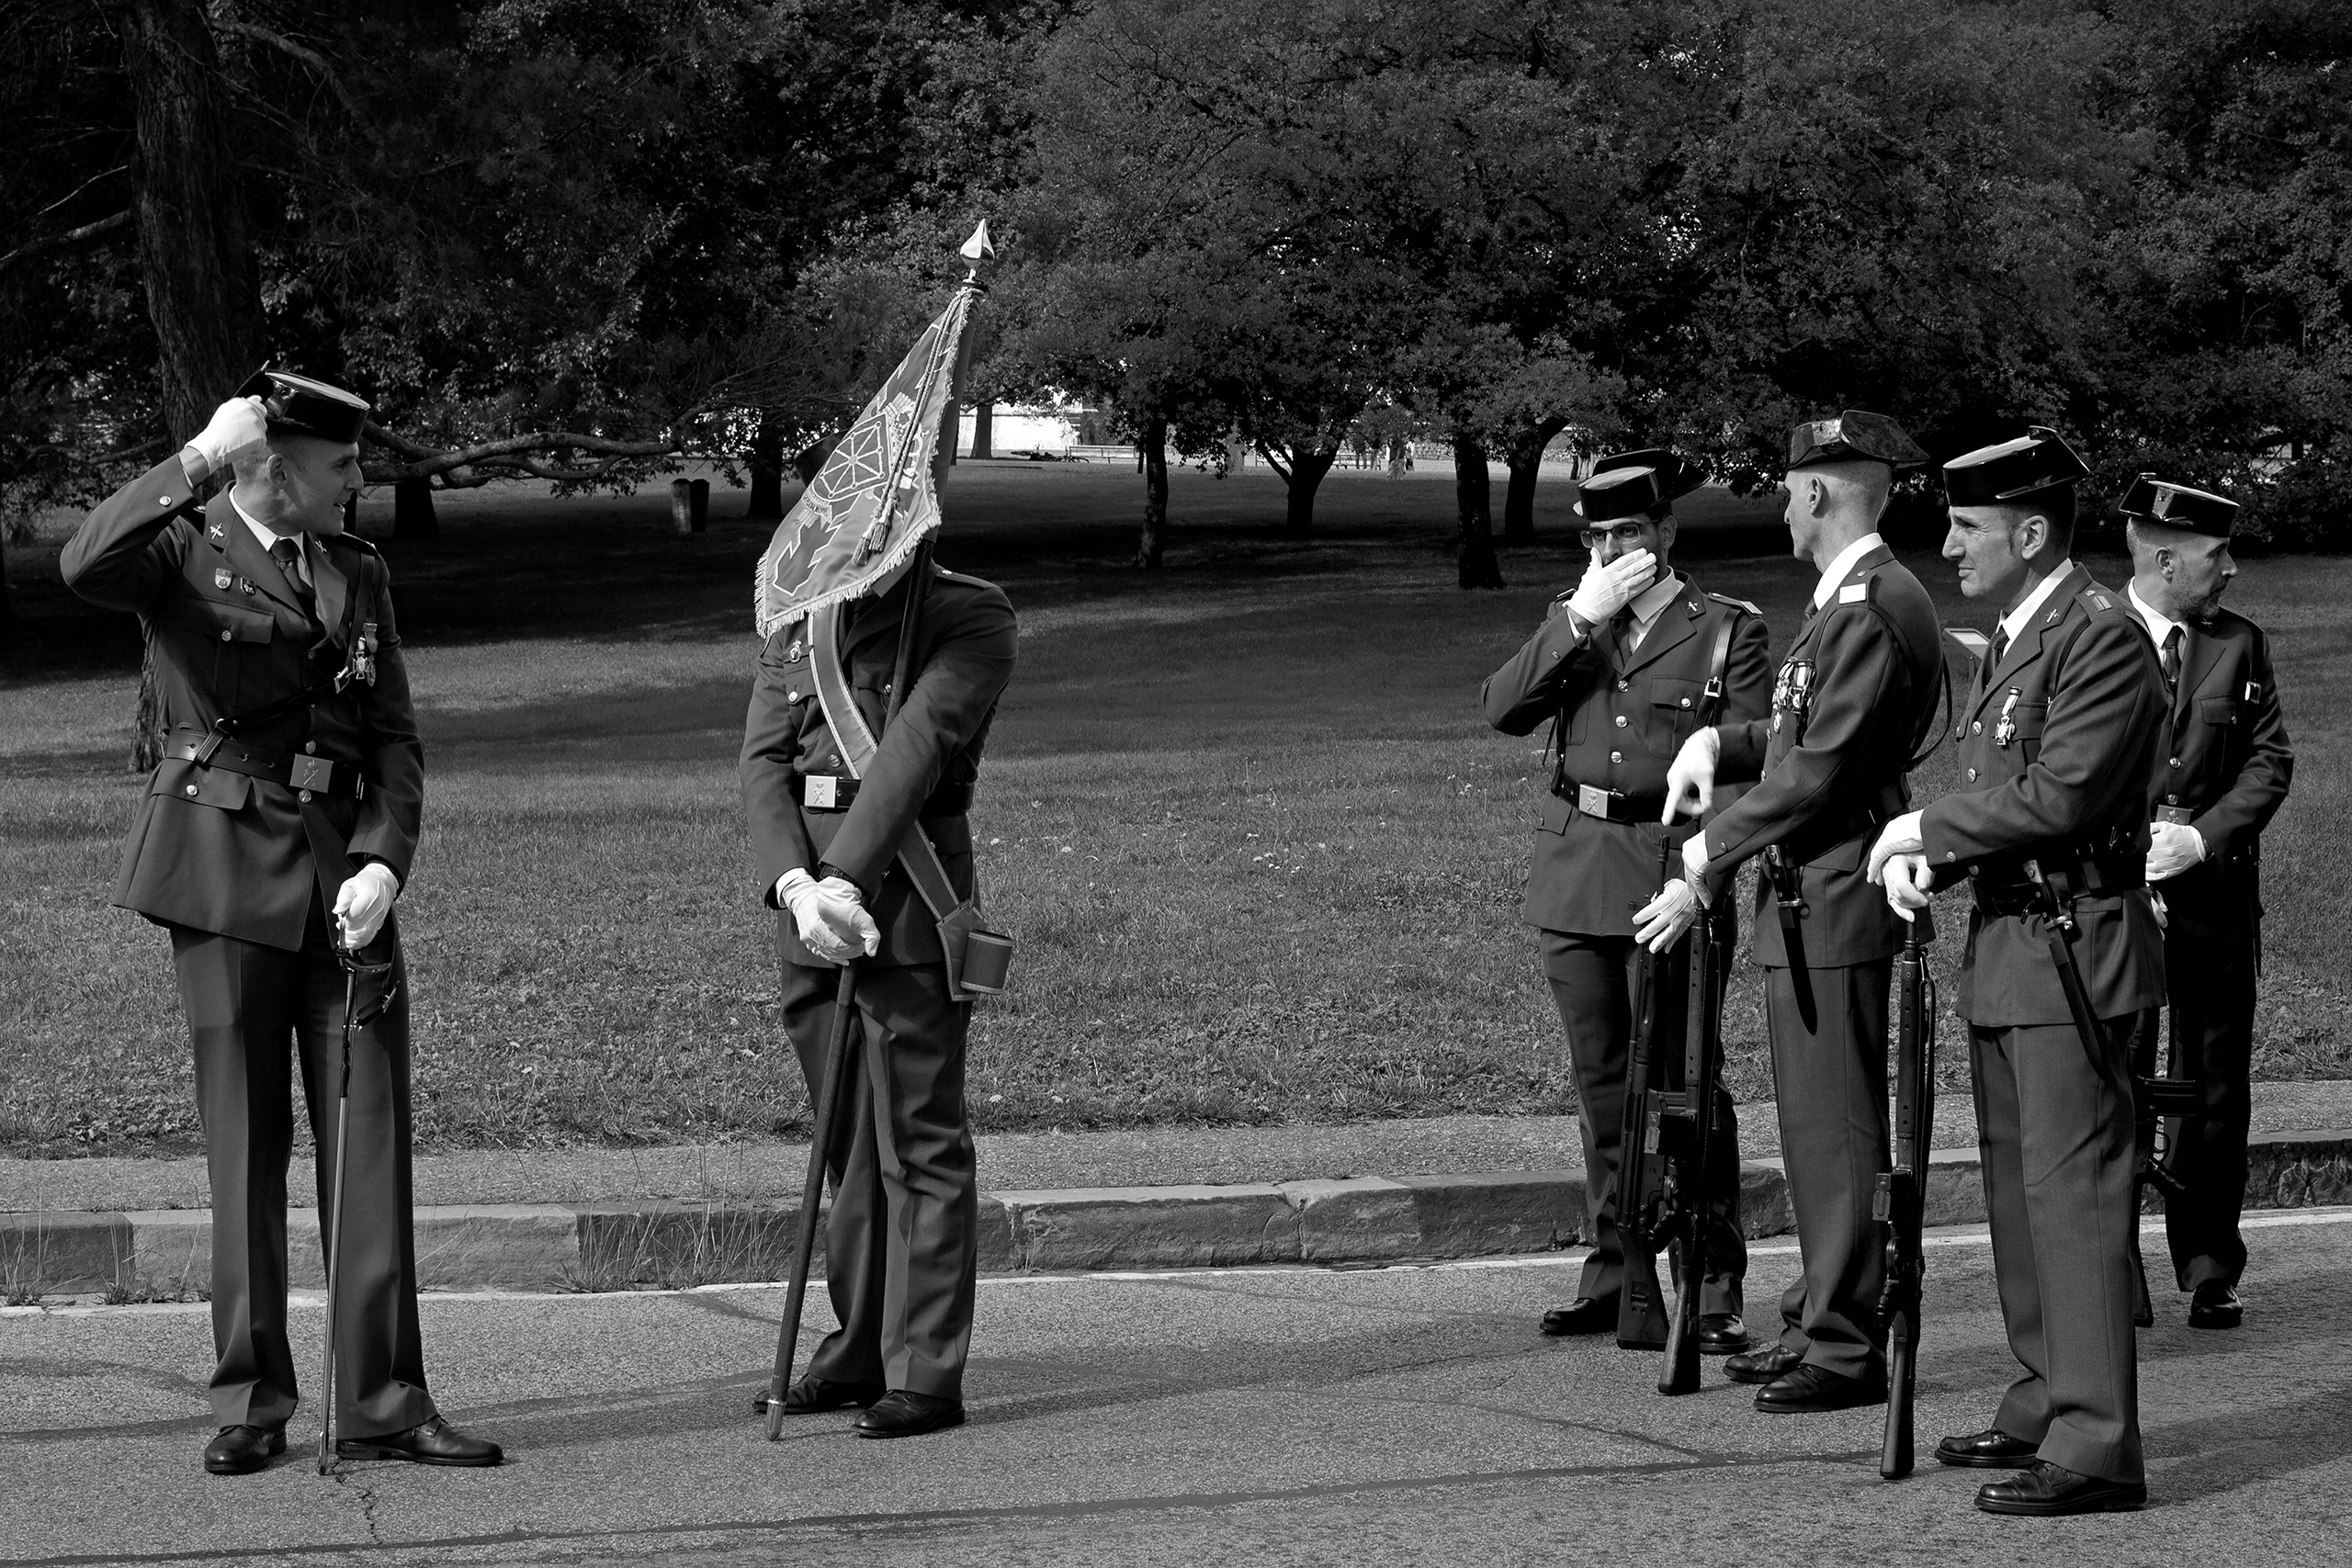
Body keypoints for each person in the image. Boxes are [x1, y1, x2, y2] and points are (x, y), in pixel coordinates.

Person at [59, 371, 501, 1474]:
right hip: (219, 875)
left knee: (371, 1146)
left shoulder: (358, 570)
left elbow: (393, 738)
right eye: (339, 464)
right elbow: (82, 564)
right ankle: (253, 1402)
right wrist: (200, 456)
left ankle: (386, 1402)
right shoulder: (178, 548)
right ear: (273, 465)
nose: (358, 480)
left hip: (341, 881)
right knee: (245, 1151)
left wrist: (387, 862)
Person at [1868, 427, 2164, 1517]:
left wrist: (1923, 825)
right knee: (2015, 1194)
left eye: (1968, 526)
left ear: (2029, 533)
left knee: (2071, 1196)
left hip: (2072, 950)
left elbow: (2064, 798)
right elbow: (2009, 806)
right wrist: (1932, 865)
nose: (1947, 544)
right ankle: (2046, 1396)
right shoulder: (2020, 635)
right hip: (2012, 945)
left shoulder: (2100, 638)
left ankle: (2097, 1445)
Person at [1639, 412, 1944, 1413]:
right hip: (1812, 892)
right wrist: (1718, 750)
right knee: (1817, 1125)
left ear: (1817, 492)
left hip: (1838, 889)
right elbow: (1795, 733)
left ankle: (1846, 1341)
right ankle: (1820, 1307)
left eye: (1785, 486)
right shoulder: (1852, 600)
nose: (1779, 502)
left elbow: (1819, 770)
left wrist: (1709, 851)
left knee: (1839, 1127)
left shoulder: (1867, 602)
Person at [1482, 447, 1771, 1350]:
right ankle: (1615, 1271)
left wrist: (1705, 876)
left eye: (1629, 530)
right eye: (1598, 534)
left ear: (1665, 531)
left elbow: (1754, 767)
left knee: (1686, 1086)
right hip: (1573, 872)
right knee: (1601, 1088)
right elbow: (1502, 708)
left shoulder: (1726, 629)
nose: (1613, 548)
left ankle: (1709, 1276)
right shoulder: (1580, 619)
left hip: (1666, 870)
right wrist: (1577, 615)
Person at [740, 553, 1018, 1438]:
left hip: (900, 899)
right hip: (810, 915)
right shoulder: (803, 611)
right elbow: (762, 760)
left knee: (918, 1137)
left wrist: (846, 878)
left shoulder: (972, 613)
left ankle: (927, 1367)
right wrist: (793, 882)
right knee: (849, 1144)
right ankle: (859, 1347)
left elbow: (916, 747)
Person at [2118, 475, 2292, 1330]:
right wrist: (2132, 852)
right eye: (2216, 554)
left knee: (2214, 1082)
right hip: (2116, 895)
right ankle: (2112, 1261)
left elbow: (2269, 759)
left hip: (2212, 896)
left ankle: (2210, 1261)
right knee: (2113, 1076)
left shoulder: (2238, 643)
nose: (2230, 570)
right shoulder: (2094, 637)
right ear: (2162, 558)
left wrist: (2204, 835)